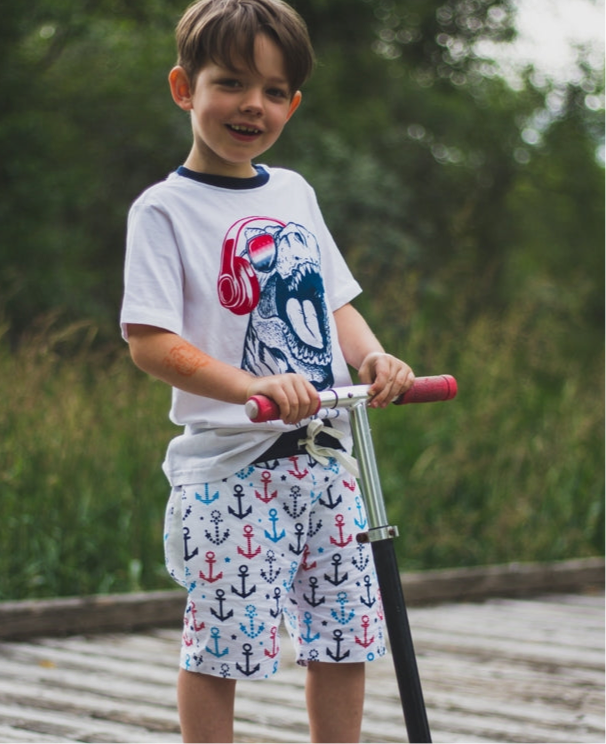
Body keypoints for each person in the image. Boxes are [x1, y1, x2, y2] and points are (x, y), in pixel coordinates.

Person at [120, 1, 415, 742]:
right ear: (184, 88)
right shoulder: (165, 210)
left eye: (275, 91)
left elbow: (335, 300)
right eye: (231, 83)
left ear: (294, 104)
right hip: (229, 469)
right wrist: (250, 386)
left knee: (345, 637)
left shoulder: (294, 193)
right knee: (225, 646)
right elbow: (150, 340)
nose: (253, 104)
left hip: (326, 458)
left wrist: (373, 356)